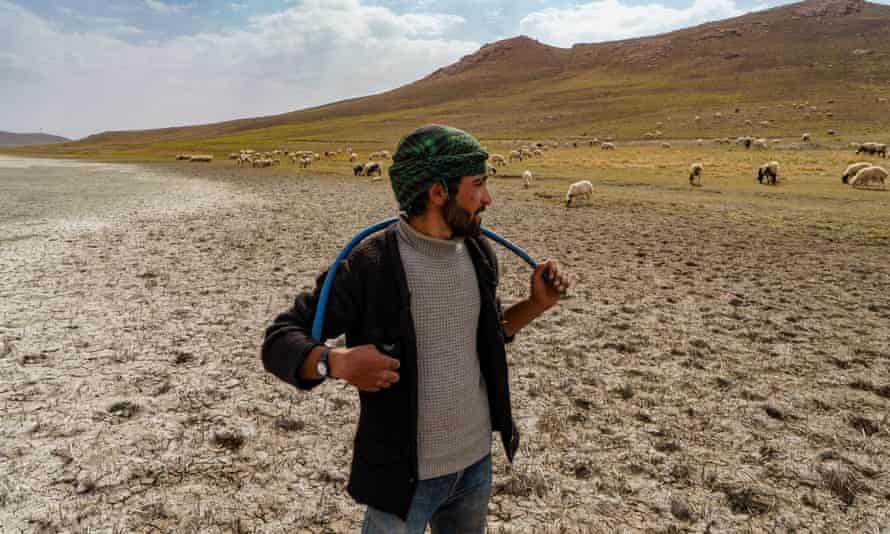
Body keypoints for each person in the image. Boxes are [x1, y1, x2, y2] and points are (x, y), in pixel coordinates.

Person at [261, 124, 570, 533]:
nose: (488, 198)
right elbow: (280, 339)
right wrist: (335, 361)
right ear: (437, 192)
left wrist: (535, 305)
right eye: (477, 184)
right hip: (403, 479)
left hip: (476, 465)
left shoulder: (479, 253)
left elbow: (486, 336)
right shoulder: (368, 265)